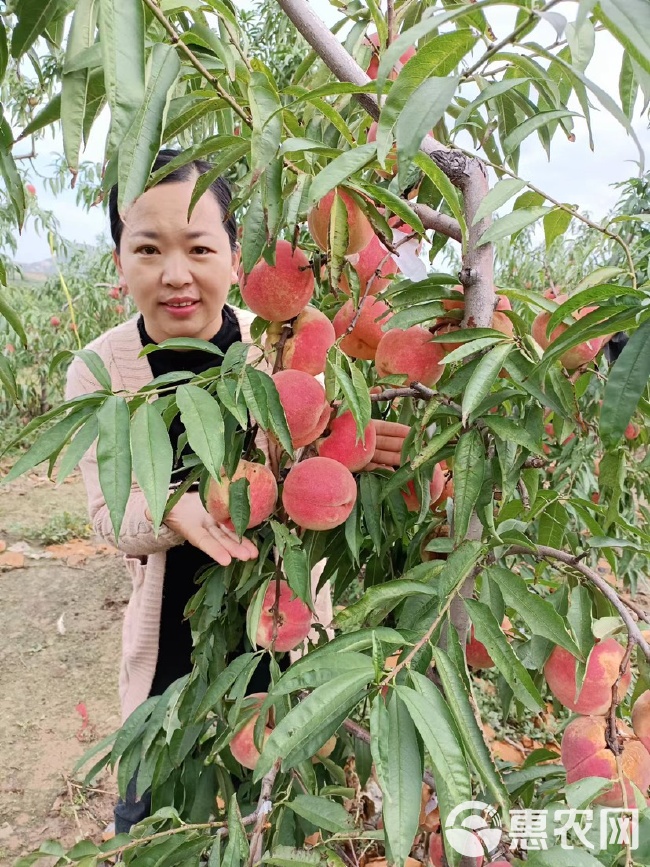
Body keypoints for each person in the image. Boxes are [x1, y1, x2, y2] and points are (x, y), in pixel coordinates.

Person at [64, 148, 409, 834]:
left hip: (284, 635)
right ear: (119, 261)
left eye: (198, 246)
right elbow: (108, 514)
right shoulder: (100, 370)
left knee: (286, 817)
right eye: (148, 248)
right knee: (158, 823)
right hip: (168, 658)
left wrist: (352, 445)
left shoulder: (285, 349)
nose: (175, 273)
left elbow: (307, 460)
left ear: (234, 253)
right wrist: (175, 510)